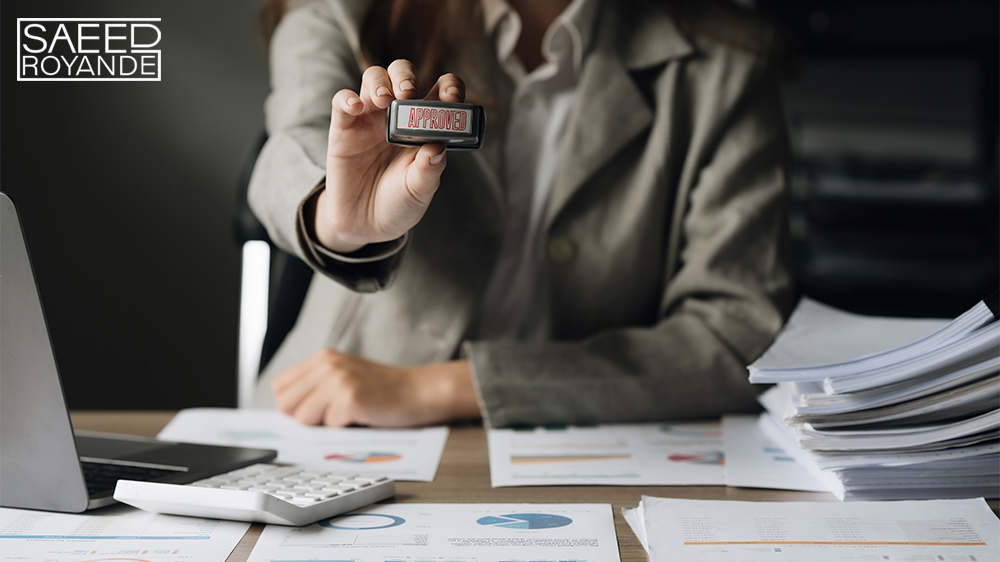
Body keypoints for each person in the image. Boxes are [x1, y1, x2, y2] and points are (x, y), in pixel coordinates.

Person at [248, 0, 796, 428]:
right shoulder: (345, 12)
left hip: (589, 440)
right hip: (329, 419)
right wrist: (339, 219)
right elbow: (289, 147)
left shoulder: (730, 60)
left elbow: (739, 336)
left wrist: (444, 388)